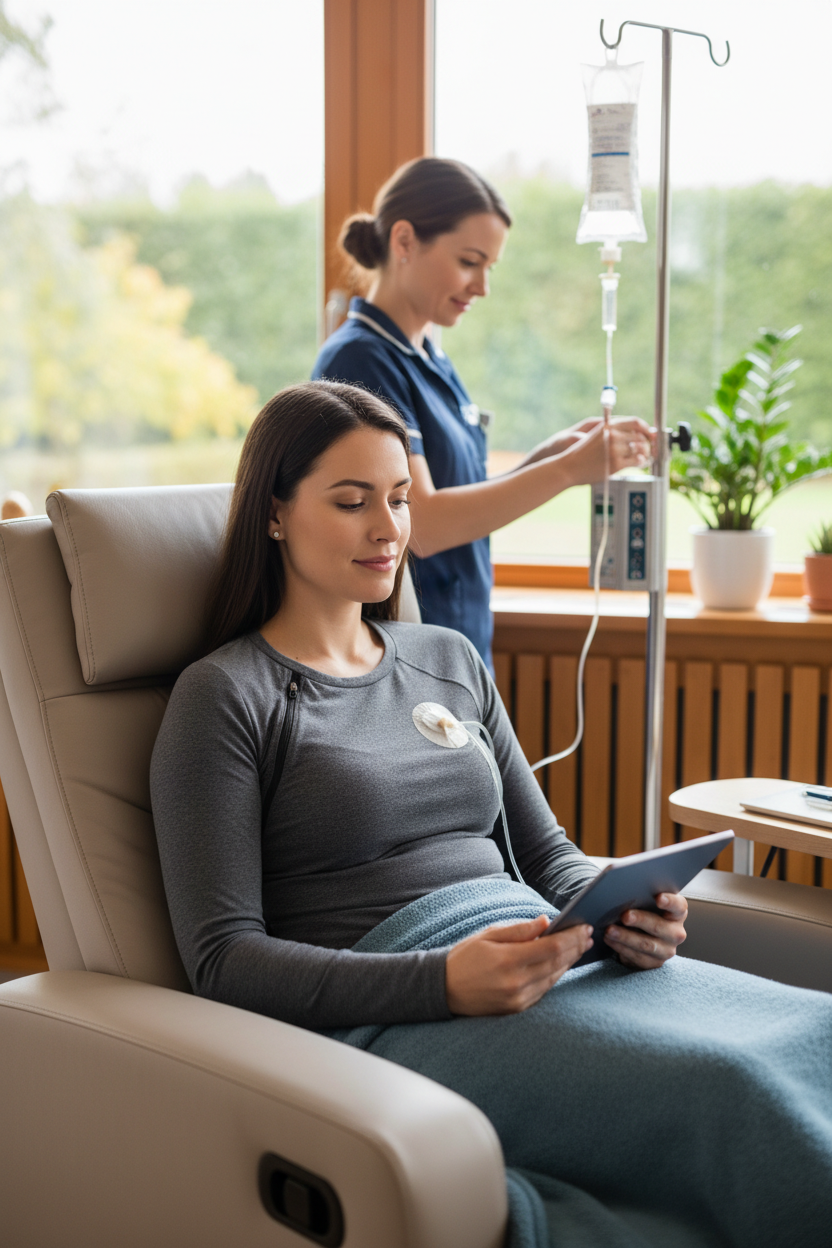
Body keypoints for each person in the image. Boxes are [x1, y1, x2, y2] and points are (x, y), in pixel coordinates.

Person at [151, 382, 832, 1248]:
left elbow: (548, 855)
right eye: (352, 501)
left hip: (546, 952)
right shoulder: (224, 696)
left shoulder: (447, 659)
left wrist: (623, 907)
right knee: (735, 1085)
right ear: (276, 514)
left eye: (399, 499)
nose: (389, 528)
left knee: (812, 1032)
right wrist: (441, 982)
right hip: (403, 1009)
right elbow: (222, 960)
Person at [312, 156, 654, 667]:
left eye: (489, 268)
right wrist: (567, 470)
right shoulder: (360, 361)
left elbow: (457, 503)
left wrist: (548, 457)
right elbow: (422, 524)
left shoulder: (431, 357)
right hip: (407, 656)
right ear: (404, 241)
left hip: (460, 647)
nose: (482, 286)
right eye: (470, 262)